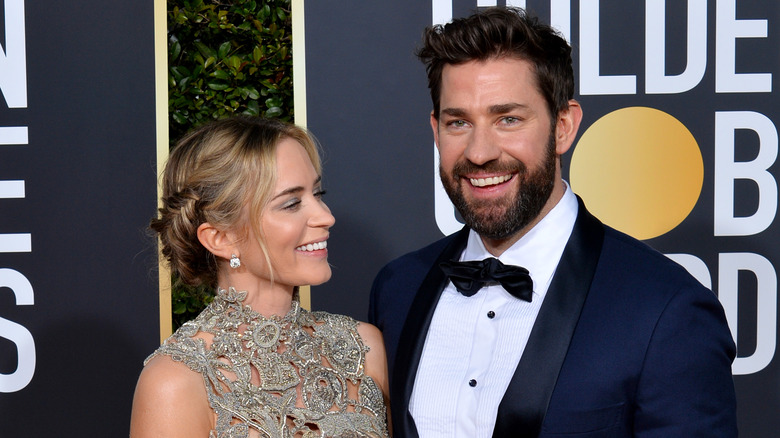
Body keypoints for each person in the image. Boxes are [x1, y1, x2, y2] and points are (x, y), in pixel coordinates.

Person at [369, 7, 737, 438]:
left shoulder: (666, 310)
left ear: (563, 126)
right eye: (458, 123)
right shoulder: (397, 288)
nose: (480, 151)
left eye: (508, 119)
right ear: (435, 130)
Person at [130, 116, 390, 437]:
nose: (326, 216)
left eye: (318, 193)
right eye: (292, 203)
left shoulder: (362, 347)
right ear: (220, 238)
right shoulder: (176, 382)